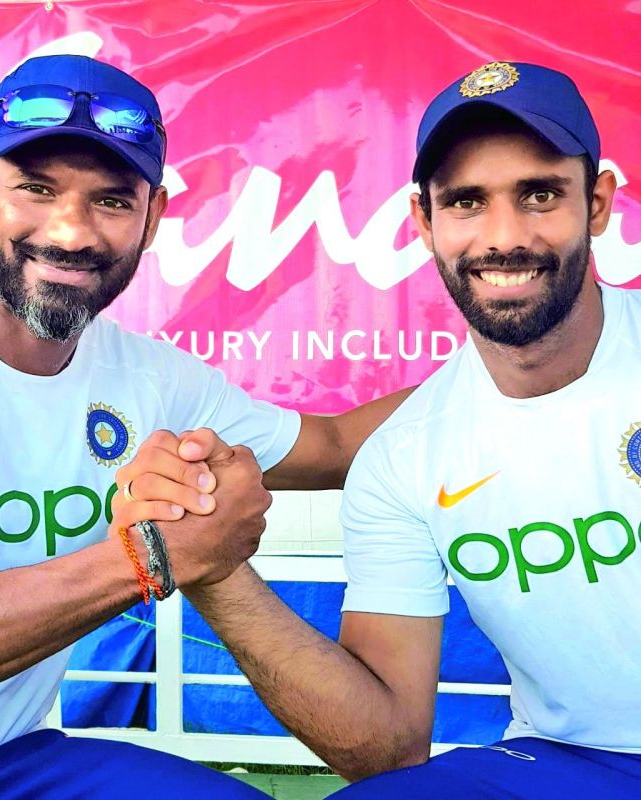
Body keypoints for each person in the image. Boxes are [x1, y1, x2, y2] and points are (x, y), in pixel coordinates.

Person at [0, 54, 407, 798]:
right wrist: (153, 557)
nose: (71, 231)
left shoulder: (150, 378)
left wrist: (515, 356)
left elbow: (332, 447)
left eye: (111, 201)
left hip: (12, 759)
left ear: (155, 216)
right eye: (36, 190)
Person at [115, 62, 641, 798]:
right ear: (423, 224)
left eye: (539, 194)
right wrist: (216, 568)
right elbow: (386, 745)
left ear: (598, 203)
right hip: (567, 762)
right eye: (465, 202)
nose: (504, 236)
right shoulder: (402, 455)